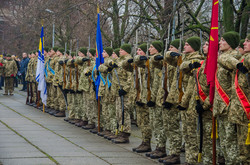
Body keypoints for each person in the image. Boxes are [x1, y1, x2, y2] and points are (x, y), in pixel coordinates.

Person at [213, 31, 241, 164]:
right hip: (221, 106)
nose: (219, 42)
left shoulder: (234, 56)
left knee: (230, 142)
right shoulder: (223, 56)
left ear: (230, 43)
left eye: (223, 40)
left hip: (229, 105)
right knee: (224, 142)